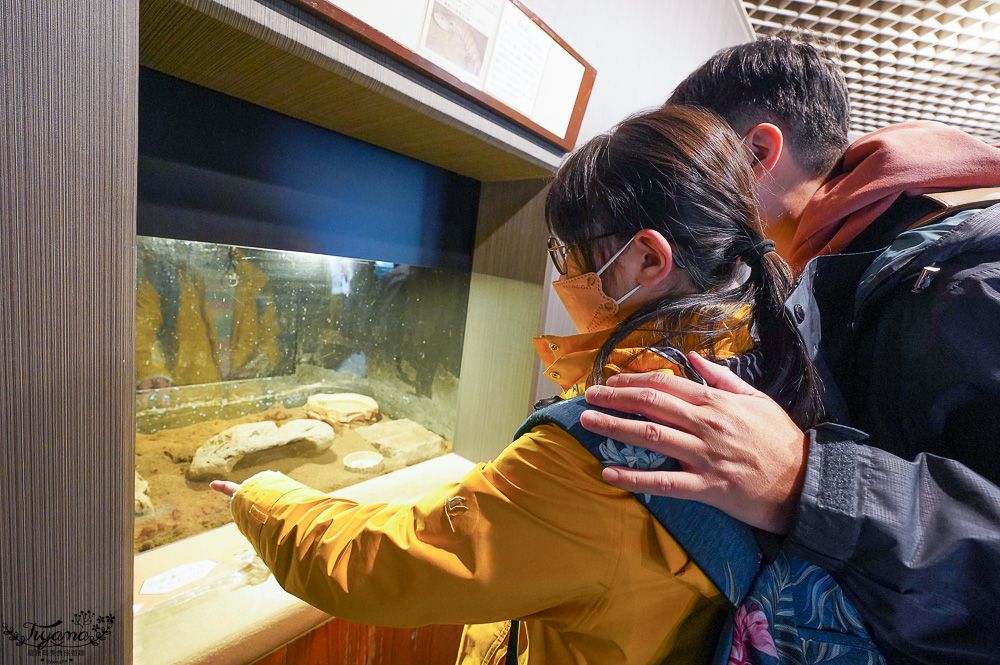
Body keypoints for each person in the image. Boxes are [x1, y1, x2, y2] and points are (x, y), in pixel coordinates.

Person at [210, 106, 832, 664]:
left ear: (649, 258)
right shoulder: (770, 359)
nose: (566, 277)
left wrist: (261, 495)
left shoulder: (603, 446)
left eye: (570, 256)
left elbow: (379, 565)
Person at [580, 37, 1000, 664]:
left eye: (691, 160)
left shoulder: (974, 275)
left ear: (757, 152)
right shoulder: (839, 273)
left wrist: (805, 479)